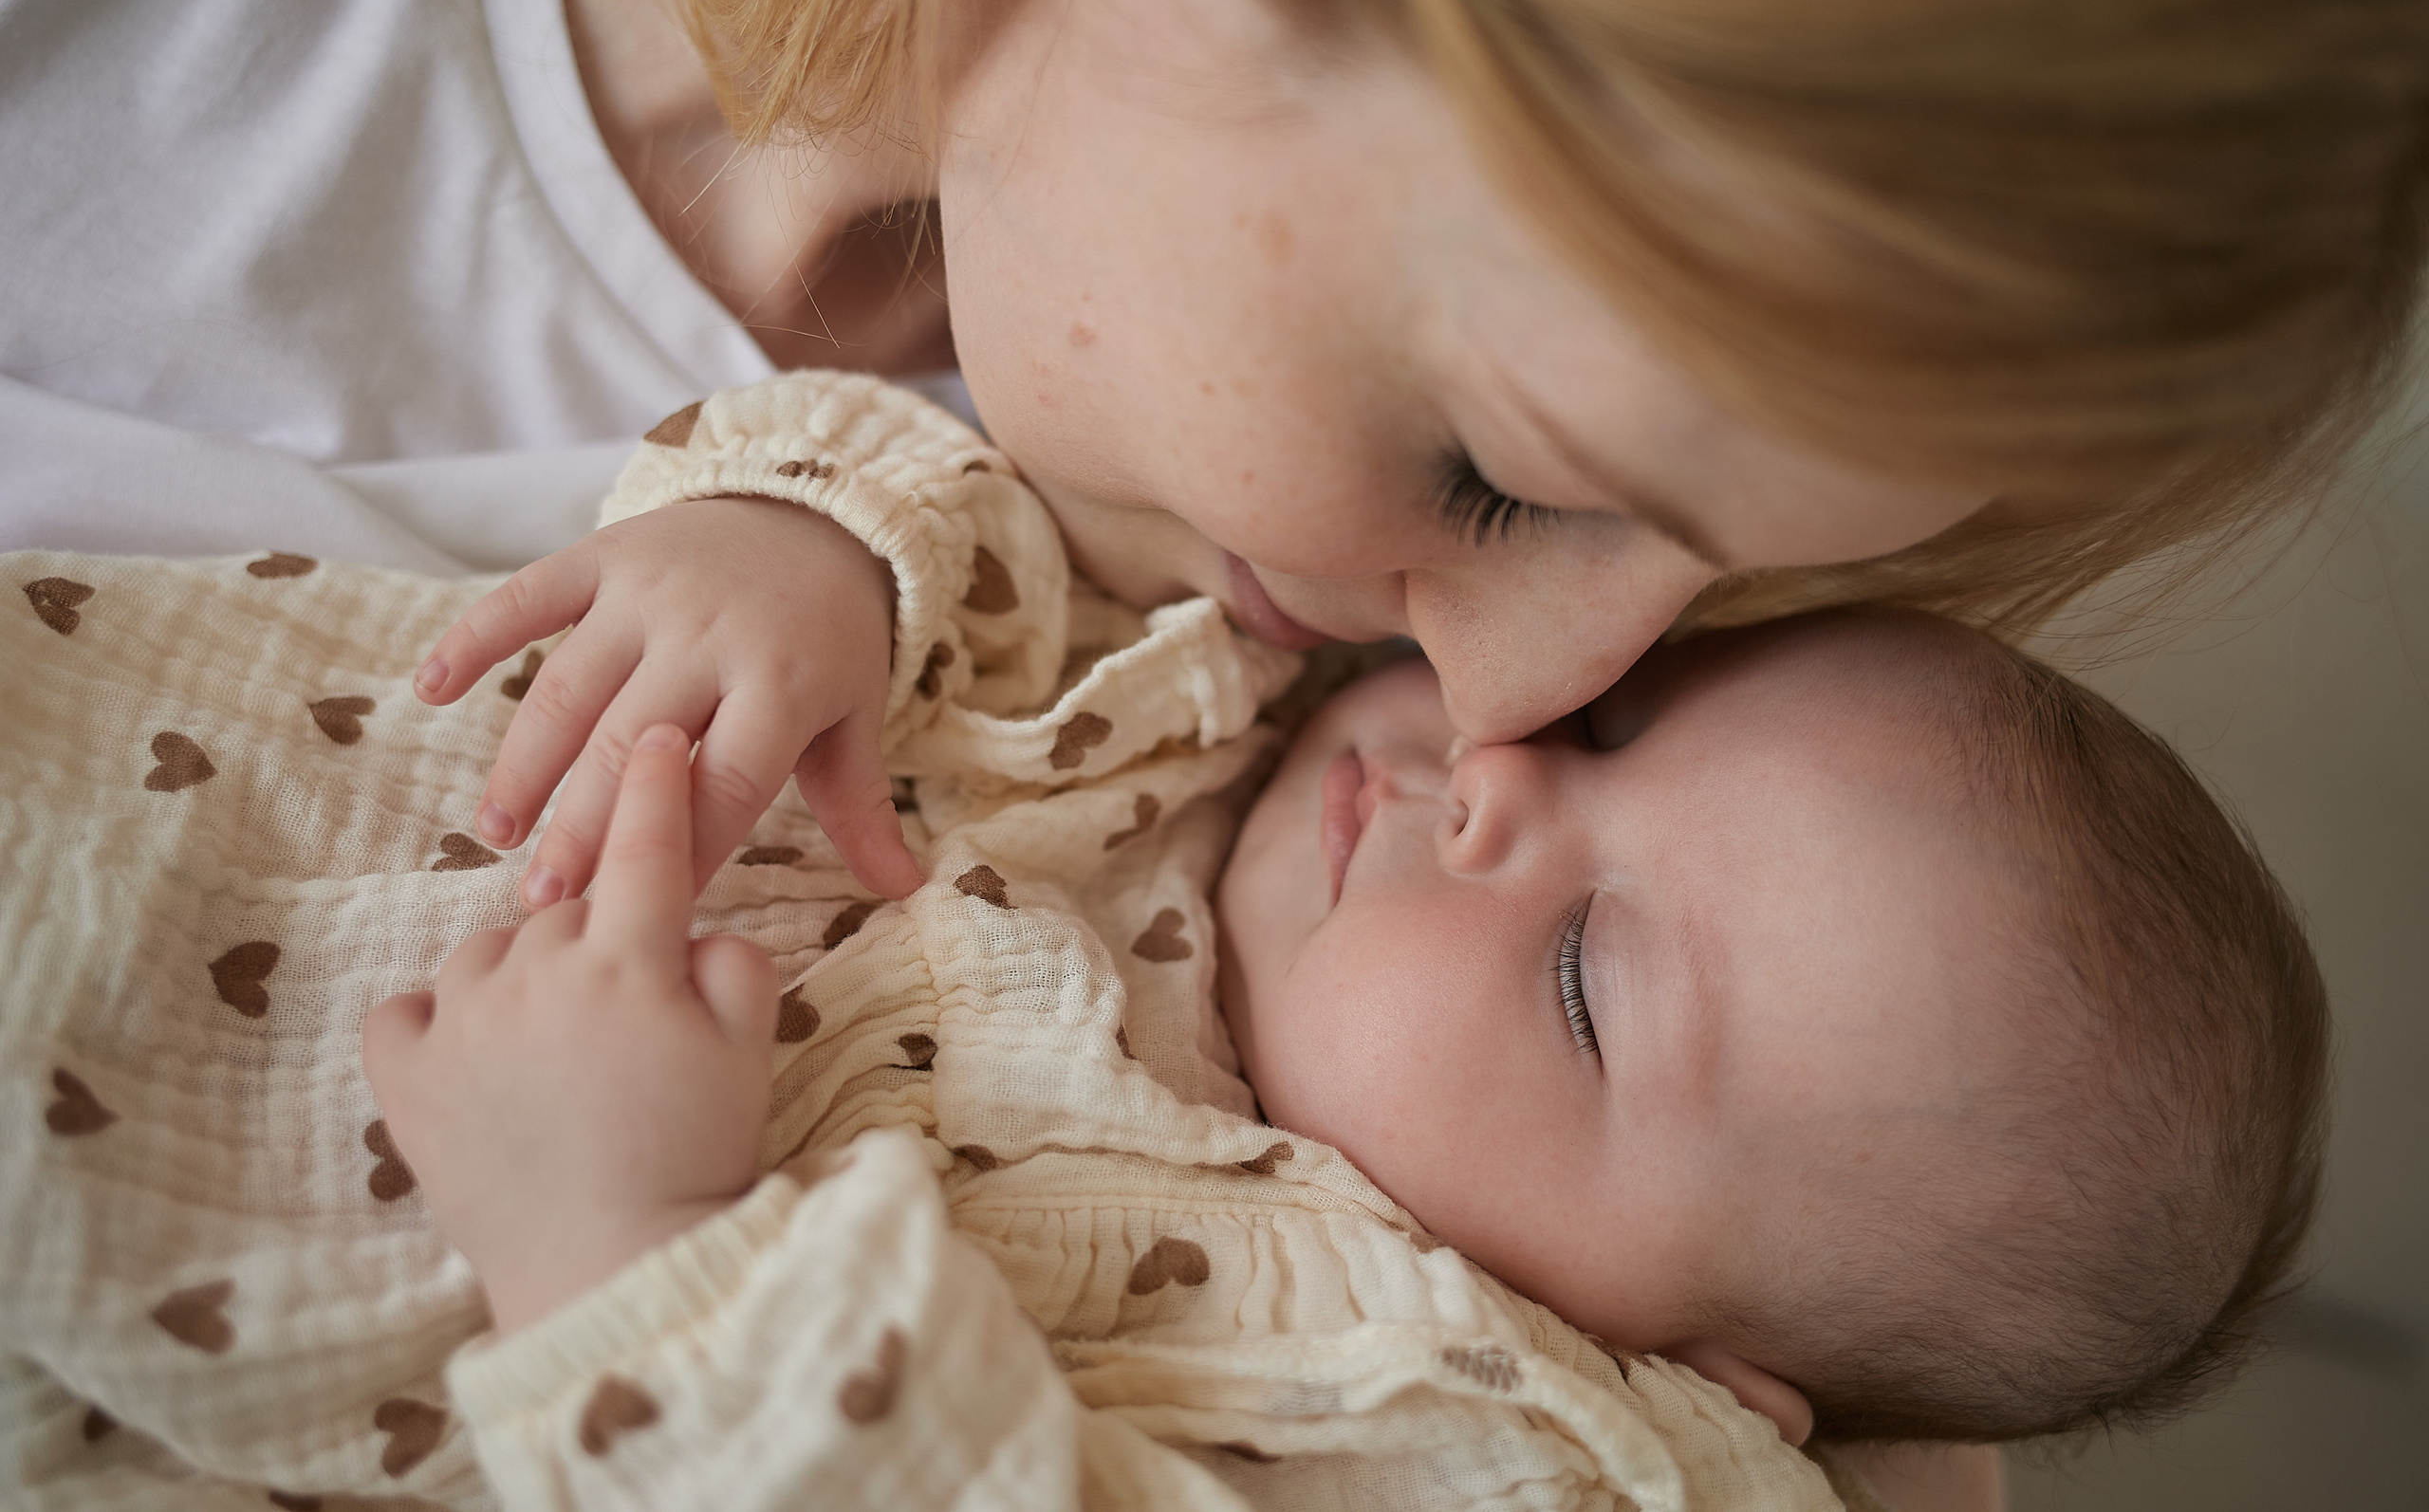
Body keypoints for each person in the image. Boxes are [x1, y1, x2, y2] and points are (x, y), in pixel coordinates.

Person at [0, 373, 2325, 1510]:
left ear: (1709, 1379)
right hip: (128, 774)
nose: (1490, 784)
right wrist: (796, 547)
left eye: (1583, 978)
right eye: (1607, 722)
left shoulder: (1448, 1416)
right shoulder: (1205, 691)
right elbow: (951, 480)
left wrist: (624, 1248)